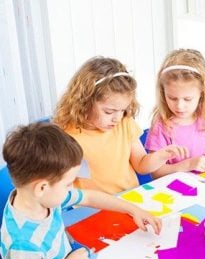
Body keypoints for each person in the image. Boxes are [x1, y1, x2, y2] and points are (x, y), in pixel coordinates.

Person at [0, 122, 162, 259]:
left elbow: (88, 197)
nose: (71, 188)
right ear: (42, 187)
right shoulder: (23, 245)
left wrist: (133, 210)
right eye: (68, 183)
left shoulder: (40, 199)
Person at [53, 56, 188, 194]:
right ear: (84, 102)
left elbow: (141, 164)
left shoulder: (125, 123)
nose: (117, 118)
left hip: (129, 198)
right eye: (109, 111)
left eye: (123, 110)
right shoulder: (66, 136)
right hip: (92, 206)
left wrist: (162, 155)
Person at [145, 48, 205, 178]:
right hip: (175, 191)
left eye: (188, 99)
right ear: (163, 93)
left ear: (202, 92)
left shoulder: (204, 116)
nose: (180, 106)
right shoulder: (161, 126)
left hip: (204, 184)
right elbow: (156, 173)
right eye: (172, 98)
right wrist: (187, 165)